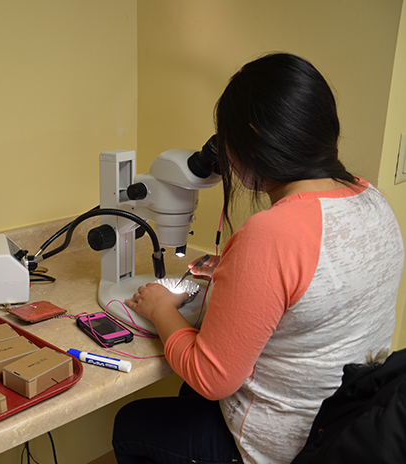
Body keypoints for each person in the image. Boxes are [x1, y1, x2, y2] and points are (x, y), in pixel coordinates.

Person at [111, 52, 405, 464]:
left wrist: (160, 308)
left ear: (249, 135)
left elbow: (211, 378)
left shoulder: (273, 234)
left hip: (284, 449)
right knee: (184, 399)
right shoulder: (373, 198)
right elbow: (319, 282)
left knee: (131, 423)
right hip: (350, 419)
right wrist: (242, 274)